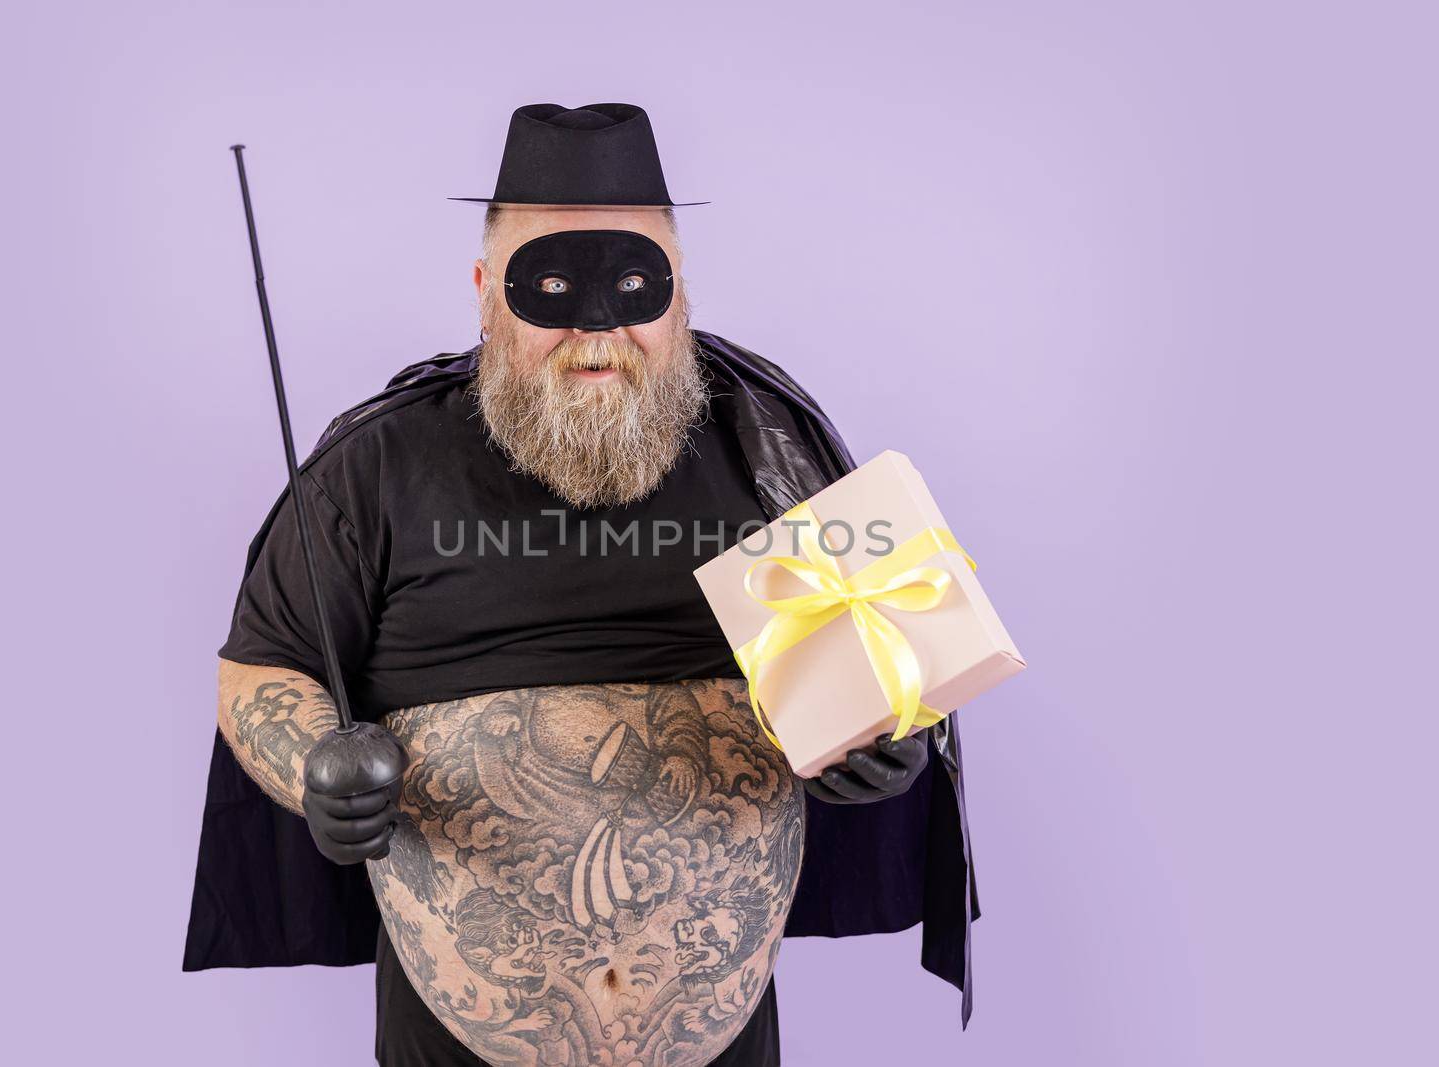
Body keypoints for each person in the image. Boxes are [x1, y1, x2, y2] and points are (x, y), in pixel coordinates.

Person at [185, 102, 980, 1066]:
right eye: (552, 287)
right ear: (485, 292)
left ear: (681, 295)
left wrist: (895, 732)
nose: (597, 331)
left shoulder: (773, 449)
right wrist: (311, 763)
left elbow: (905, 657)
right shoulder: (378, 468)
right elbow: (263, 669)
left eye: (634, 286)